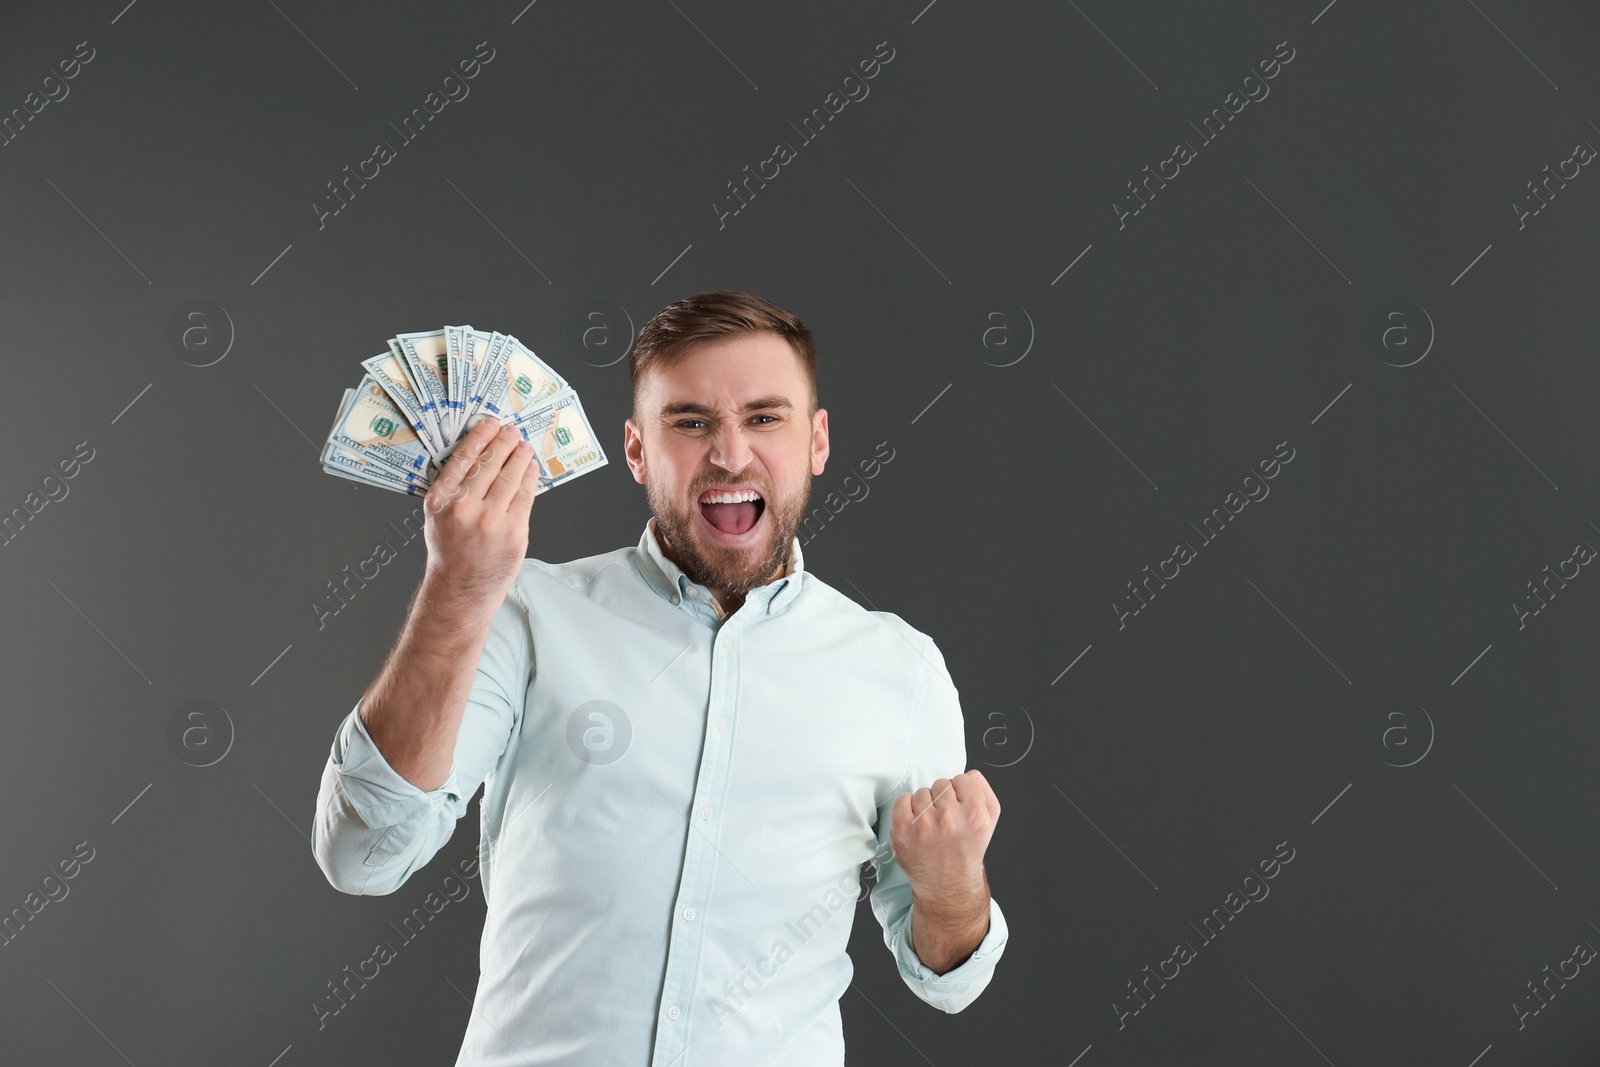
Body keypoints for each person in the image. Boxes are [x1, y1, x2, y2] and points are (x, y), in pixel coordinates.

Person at [312, 289, 1009, 1065]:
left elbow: (948, 977)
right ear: (637, 450)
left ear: (817, 442)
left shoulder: (898, 670)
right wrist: (457, 590)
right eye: (691, 422)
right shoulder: (525, 614)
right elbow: (362, 853)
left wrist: (951, 885)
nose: (731, 454)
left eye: (765, 418)